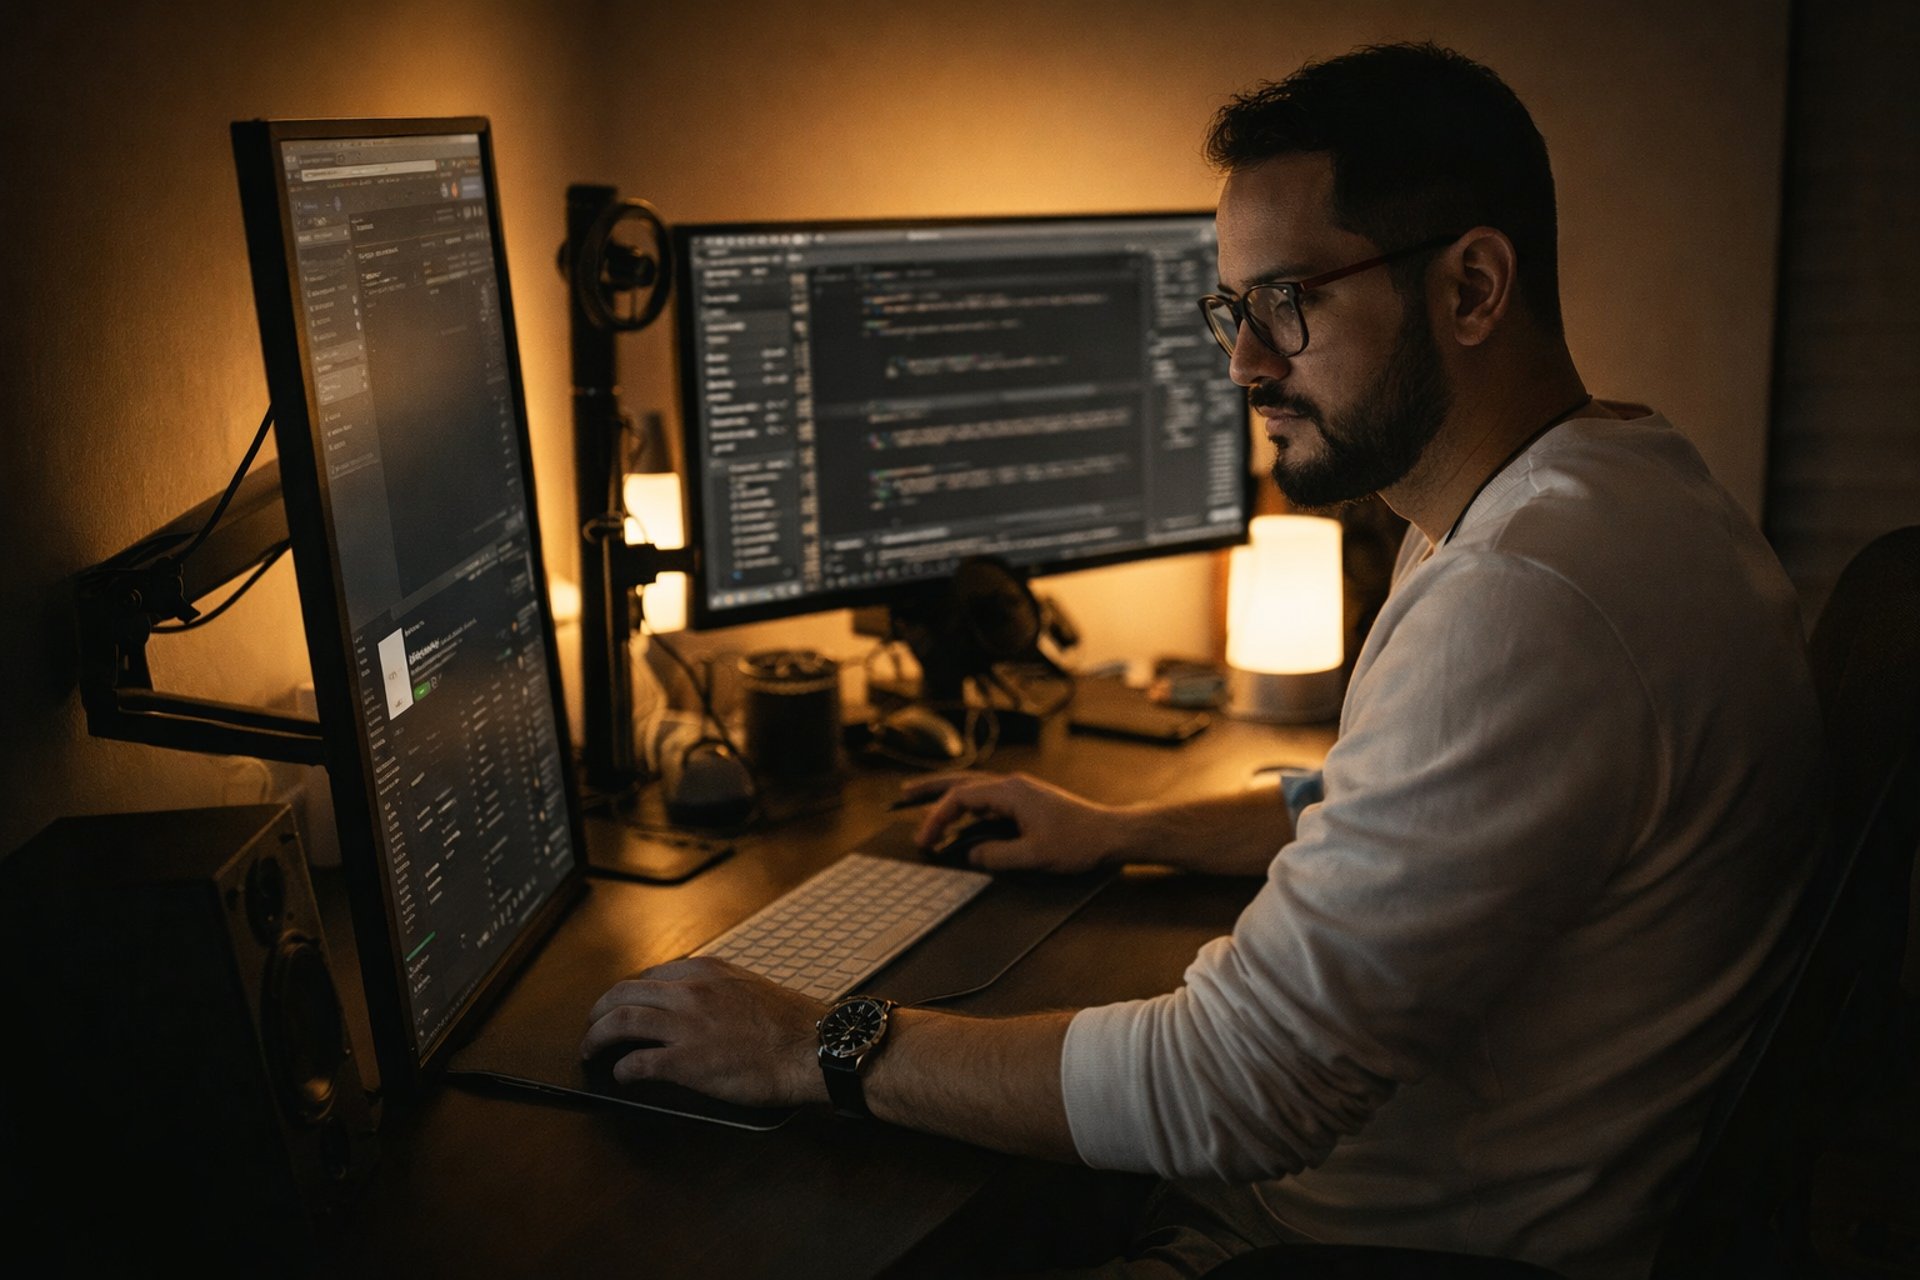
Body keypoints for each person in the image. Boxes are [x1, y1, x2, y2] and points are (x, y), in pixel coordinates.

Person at [580, 42, 1823, 1279]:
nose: (1244, 364)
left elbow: (1232, 1085)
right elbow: (1388, 807)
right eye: (1231, 309)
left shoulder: (1525, 599)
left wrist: (813, 1041)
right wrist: (1123, 827)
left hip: (1355, 1240)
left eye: (1289, 301)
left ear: (1475, 287)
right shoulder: (1615, 488)